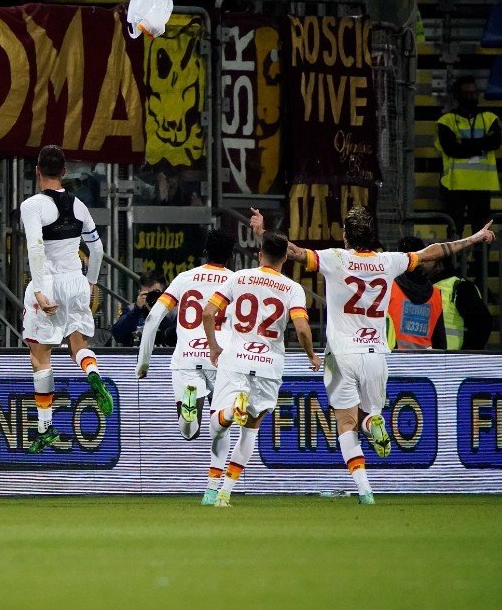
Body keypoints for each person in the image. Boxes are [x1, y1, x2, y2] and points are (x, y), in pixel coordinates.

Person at [252, 207, 494, 504]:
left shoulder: (334, 258)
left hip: (342, 354)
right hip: (376, 354)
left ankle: (365, 490)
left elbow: (292, 252)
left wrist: (262, 234)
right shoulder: (388, 261)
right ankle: (373, 425)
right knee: (369, 416)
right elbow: (433, 252)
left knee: (345, 423)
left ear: (345, 235)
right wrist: (475, 238)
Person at [201, 231, 321, 508]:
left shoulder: (237, 278)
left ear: (259, 254)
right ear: (284, 260)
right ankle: (224, 495)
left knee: (216, 428)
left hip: (236, 359)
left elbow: (208, 313)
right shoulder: (292, 288)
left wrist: (214, 346)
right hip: (269, 364)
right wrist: (311, 355)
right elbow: (302, 328)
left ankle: (232, 411)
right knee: (251, 430)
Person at [20, 145, 114, 454]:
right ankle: (93, 374)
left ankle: (45, 428)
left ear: (37, 171)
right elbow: (98, 251)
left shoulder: (32, 205)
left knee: (40, 353)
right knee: (79, 345)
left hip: (47, 280)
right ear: (64, 172)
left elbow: (35, 246)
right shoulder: (80, 206)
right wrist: (91, 284)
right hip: (77, 281)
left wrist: (37, 289)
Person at [136, 230, 234, 449]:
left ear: (205, 252)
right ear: (230, 255)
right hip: (221, 357)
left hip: (187, 357)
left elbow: (153, 318)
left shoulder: (184, 278)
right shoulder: (234, 281)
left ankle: (190, 411)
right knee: (220, 427)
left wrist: (143, 362)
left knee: (190, 433)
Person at [436, 76, 501, 239]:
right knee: (454, 230)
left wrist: (463, 143)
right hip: (455, 185)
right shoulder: (447, 121)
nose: (471, 97)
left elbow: (494, 143)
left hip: (481, 184)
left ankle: (478, 265)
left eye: (474, 93)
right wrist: (481, 144)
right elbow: (452, 149)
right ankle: (451, 264)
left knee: (481, 231)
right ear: (457, 95)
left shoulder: (490, 118)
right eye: (466, 93)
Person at [387, 236, 446, 351]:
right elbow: (440, 342)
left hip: (394, 361)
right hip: (424, 363)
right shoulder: (436, 294)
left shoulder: (390, 286)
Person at [428, 255, 491, 350]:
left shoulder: (461, 287)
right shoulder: (427, 287)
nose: (421, 264)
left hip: (454, 359)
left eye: (426, 261)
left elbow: (482, 323)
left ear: (439, 265)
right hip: (432, 358)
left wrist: (467, 355)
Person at [111, 270, 169, 346]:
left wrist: (158, 314)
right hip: (135, 355)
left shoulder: (172, 311)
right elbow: (118, 335)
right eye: (147, 294)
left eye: (155, 293)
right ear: (140, 293)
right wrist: (137, 310)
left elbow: (178, 337)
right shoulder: (131, 310)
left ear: (164, 293)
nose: (151, 297)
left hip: (164, 356)